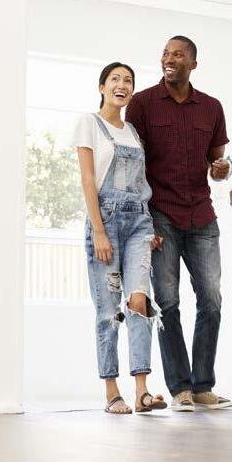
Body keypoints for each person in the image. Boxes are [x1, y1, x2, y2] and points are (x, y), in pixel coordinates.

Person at [126, 36, 232, 412]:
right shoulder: (142, 104)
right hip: (161, 215)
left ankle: (202, 386)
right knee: (168, 301)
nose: (169, 59)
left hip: (201, 215)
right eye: (166, 54)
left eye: (178, 55)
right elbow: (132, 163)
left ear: (193, 64)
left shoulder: (212, 108)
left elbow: (217, 165)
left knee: (211, 300)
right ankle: (180, 388)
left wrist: (222, 169)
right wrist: (143, 223)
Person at [73, 62, 167, 415]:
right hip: (106, 222)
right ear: (102, 86)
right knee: (109, 310)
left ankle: (142, 390)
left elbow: (141, 184)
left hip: (139, 224)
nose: (122, 85)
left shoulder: (133, 132)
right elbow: (87, 180)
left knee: (140, 301)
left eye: (128, 80)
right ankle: (112, 392)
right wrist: (99, 230)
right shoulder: (89, 123)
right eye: (115, 79)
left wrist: (149, 229)